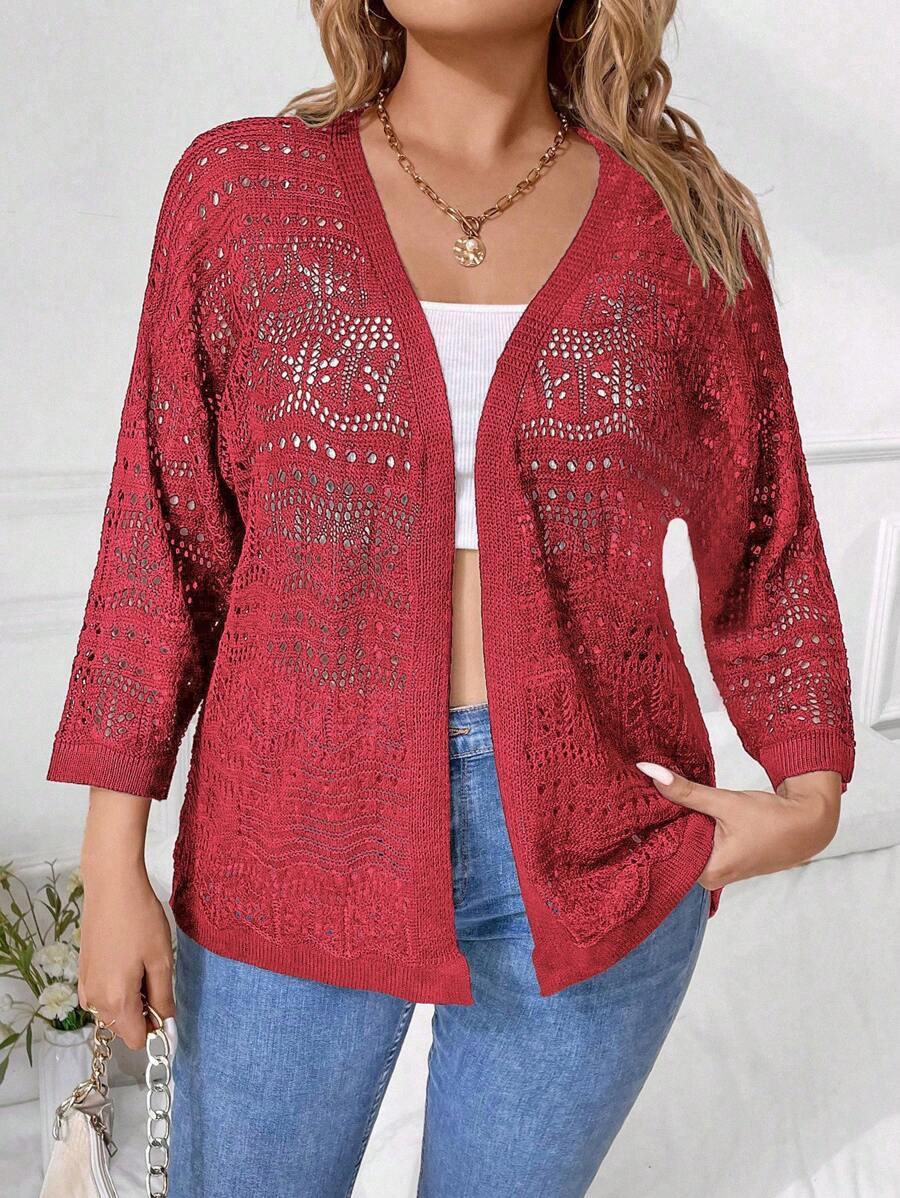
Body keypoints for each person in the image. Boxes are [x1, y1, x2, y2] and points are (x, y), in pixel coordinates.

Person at [46, 1, 856, 1194]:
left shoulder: (679, 227)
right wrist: (112, 861)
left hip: (599, 847)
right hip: (289, 831)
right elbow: (162, 534)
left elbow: (768, 534)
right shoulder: (245, 191)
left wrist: (810, 795)